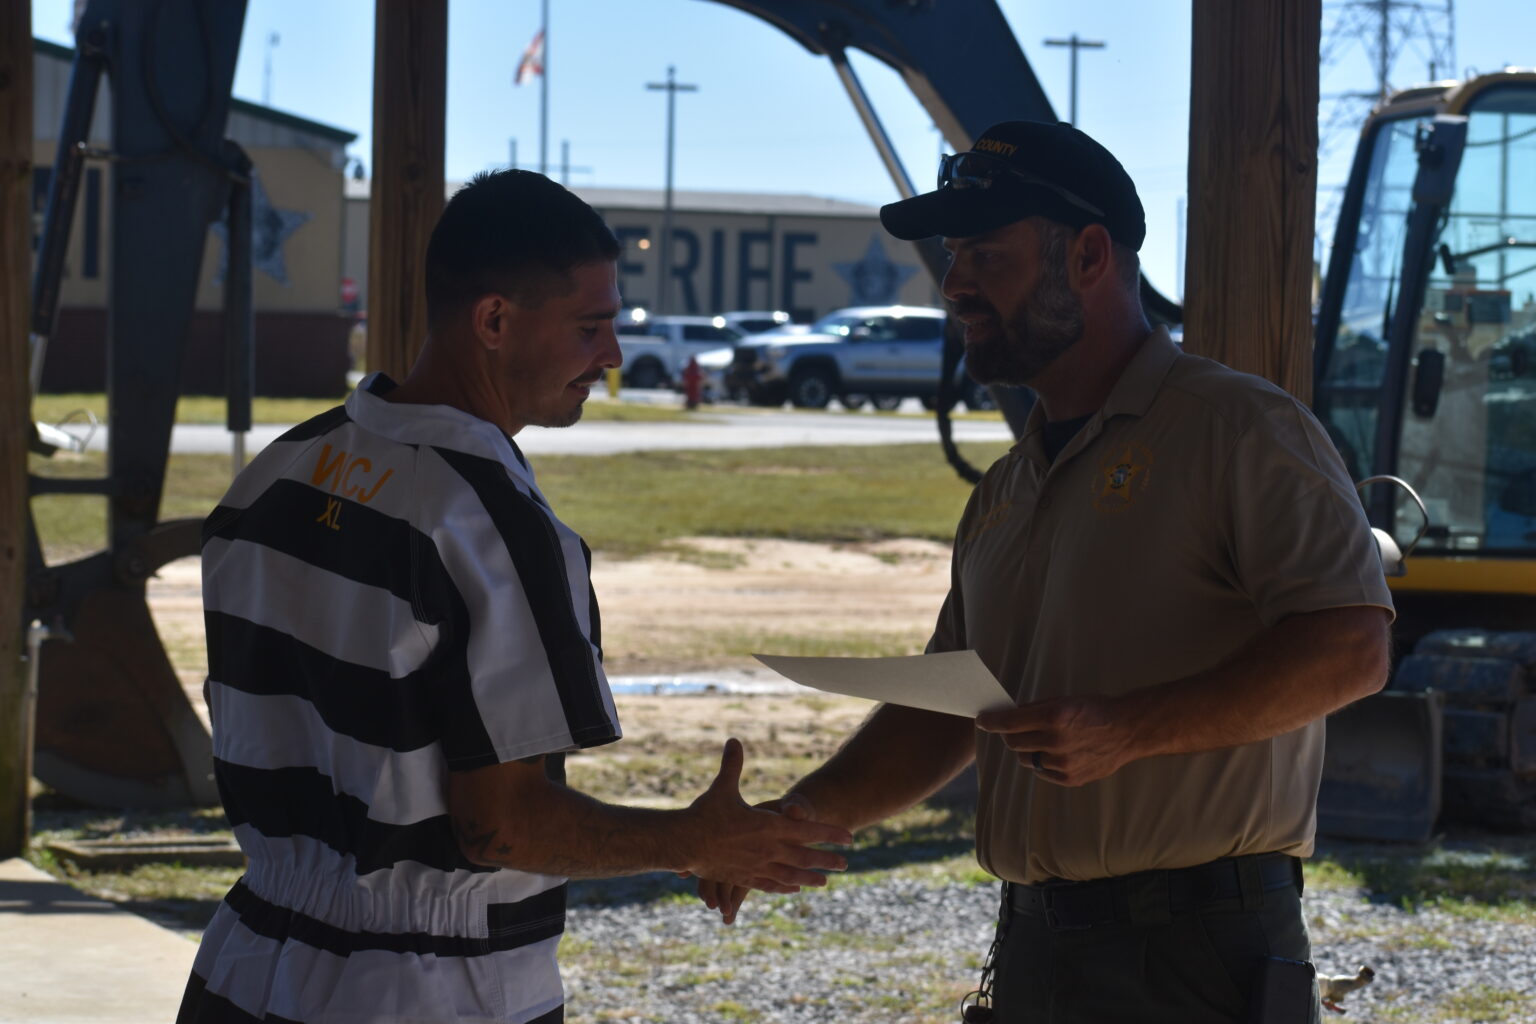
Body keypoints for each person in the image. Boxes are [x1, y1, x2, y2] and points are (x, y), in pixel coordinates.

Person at [700, 122, 1393, 1024]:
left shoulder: (1240, 431)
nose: (955, 284)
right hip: (1036, 946)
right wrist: (798, 818)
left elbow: (1351, 649)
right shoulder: (1006, 486)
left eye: (986, 254)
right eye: (953, 256)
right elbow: (951, 706)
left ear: (1090, 256)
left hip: (1196, 954)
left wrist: (1128, 731)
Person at [176, 170, 850, 1024]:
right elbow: (500, 829)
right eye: (589, 326)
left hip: (244, 964)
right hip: (419, 991)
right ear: (493, 321)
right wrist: (694, 841)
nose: (612, 355)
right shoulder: (490, 525)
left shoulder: (279, 469)